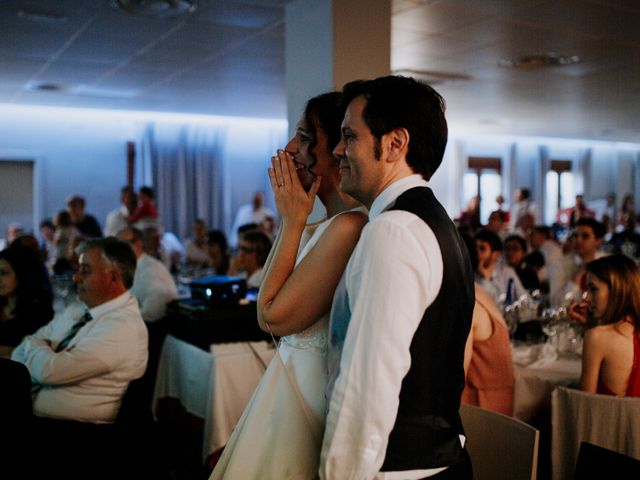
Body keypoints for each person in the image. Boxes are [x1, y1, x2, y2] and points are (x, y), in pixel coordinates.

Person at [321, 76, 474, 479]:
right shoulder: (435, 223)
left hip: (401, 470)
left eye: (349, 136)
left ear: (394, 144)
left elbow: (366, 386)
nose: (337, 150)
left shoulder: (393, 231)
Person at [211, 92, 367, 479]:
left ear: (335, 147)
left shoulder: (350, 226)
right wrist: (292, 219)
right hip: (288, 383)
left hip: (307, 393)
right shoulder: (323, 224)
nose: (290, 148)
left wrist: (292, 220)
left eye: (302, 135)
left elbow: (270, 317)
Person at [11, 237, 148, 423]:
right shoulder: (80, 308)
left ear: (113, 277)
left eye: (85, 271)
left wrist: (34, 345)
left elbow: (50, 372)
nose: (76, 277)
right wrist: (39, 350)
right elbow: (21, 353)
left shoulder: (123, 328)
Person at [460, 233, 514, 416]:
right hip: (493, 406)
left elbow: (458, 373)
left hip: (484, 414)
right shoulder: (476, 289)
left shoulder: (467, 301)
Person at [571, 255, 640, 396]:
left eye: (593, 289)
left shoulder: (597, 337)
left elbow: (585, 406)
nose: (588, 298)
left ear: (617, 289)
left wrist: (590, 331)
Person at [117, 226, 178, 323]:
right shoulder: (128, 267)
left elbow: (154, 310)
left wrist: (123, 321)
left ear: (139, 243)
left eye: (124, 244)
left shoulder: (151, 270)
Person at [0, 246, 54, 352]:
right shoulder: (2, 306)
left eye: (3, 273)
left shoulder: (39, 312)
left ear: (22, 274)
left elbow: (31, 352)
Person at [549, 217, 606, 307]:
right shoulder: (559, 265)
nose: (578, 240)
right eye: (575, 236)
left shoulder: (606, 263)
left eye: (585, 236)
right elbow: (556, 305)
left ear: (598, 241)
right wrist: (576, 278)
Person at [474, 229, 526, 305]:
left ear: (496, 254)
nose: (477, 252)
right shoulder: (470, 272)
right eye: (475, 248)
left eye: (482, 249)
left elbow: (524, 299)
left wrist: (485, 279)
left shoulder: (506, 272)